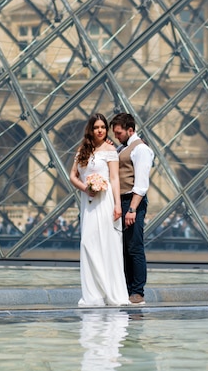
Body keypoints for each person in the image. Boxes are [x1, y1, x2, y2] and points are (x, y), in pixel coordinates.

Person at [70, 113, 130, 307]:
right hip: (88, 204)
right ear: (91, 129)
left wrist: (118, 205)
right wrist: (85, 188)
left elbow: (114, 179)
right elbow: (73, 176)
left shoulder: (110, 150)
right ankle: (94, 294)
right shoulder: (83, 150)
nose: (100, 130)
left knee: (107, 245)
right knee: (88, 244)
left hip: (105, 203)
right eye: (96, 127)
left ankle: (109, 291)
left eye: (103, 127)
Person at [110, 112, 154, 305]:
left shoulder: (141, 149)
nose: (116, 136)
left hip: (132, 202)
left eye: (118, 133)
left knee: (134, 247)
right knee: (124, 248)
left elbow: (142, 184)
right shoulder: (122, 147)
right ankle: (128, 288)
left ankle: (137, 291)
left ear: (130, 129)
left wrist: (132, 209)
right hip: (122, 202)